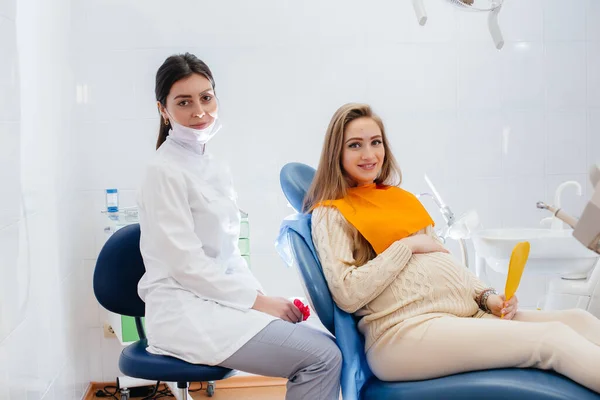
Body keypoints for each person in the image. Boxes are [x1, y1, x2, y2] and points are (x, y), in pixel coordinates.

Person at [304, 102, 600, 393]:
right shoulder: (332, 213)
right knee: (550, 340)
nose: (369, 154)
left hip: (461, 316)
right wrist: (406, 245)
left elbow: (445, 264)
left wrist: (487, 297)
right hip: (403, 332)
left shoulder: (399, 199)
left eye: (375, 142)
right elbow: (347, 293)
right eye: (355, 145)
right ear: (336, 153)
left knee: (578, 320)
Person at [136, 53, 341, 399]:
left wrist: (262, 299)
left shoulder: (215, 167)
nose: (199, 111)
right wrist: (258, 304)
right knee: (322, 357)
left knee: (327, 347)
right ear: (163, 110)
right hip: (184, 313)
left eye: (206, 97)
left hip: (219, 305)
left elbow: (230, 256)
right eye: (184, 102)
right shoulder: (162, 171)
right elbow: (186, 268)